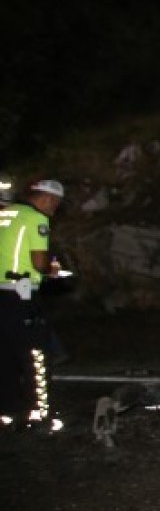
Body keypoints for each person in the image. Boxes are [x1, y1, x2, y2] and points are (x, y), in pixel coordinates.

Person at [0, 178, 64, 432]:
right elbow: (39, 263)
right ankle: (40, 413)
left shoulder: (5, 213)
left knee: (4, 354)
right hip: (20, 292)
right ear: (46, 198)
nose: (54, 210)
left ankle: (5, 411)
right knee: (36, 353)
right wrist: (54, 269)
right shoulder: (36, 219)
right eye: (56, 205)